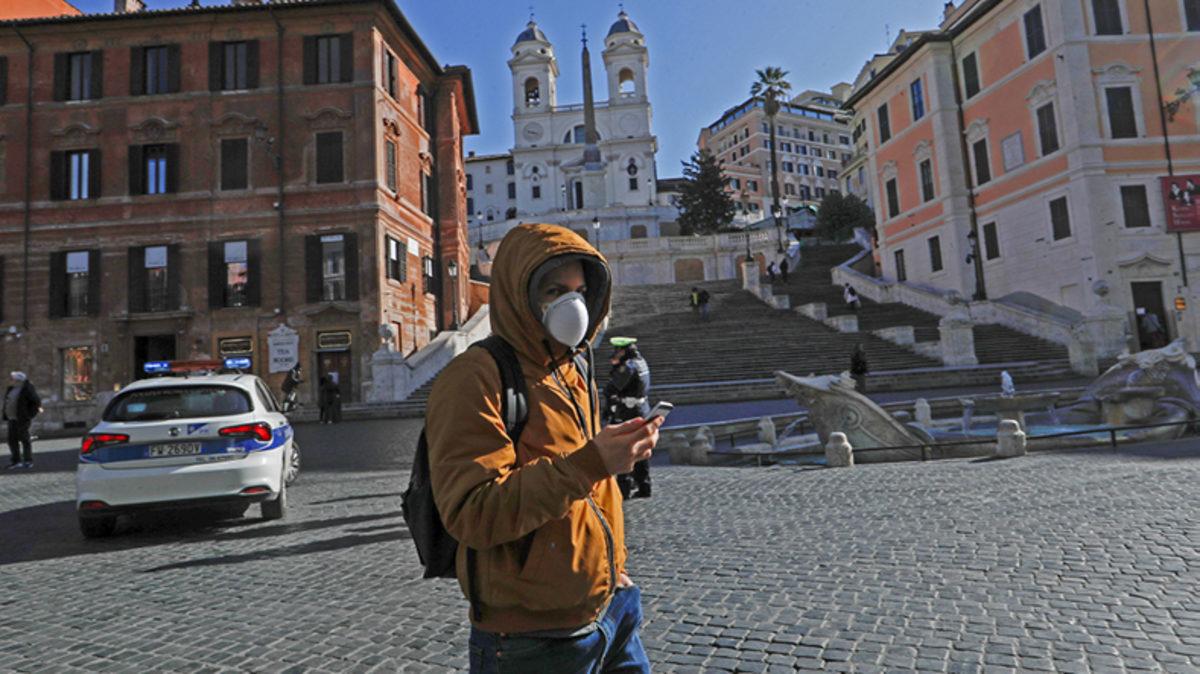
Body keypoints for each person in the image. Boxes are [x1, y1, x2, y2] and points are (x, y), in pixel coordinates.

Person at [426, 223, 662, 673]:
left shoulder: (574, 370)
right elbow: (474, 512)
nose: (571, 304)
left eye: (578, 290)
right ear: (520, 293)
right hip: (531, 640)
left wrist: (611, 570)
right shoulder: (474, 377)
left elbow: (587, 490)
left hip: (613, 610)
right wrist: (593, 461)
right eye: (554, 289)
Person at [604, 337, 653, 499]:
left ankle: (623, 488)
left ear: (623, 350)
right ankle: (644, 485)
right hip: (642, 409)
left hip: (627, 411)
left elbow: (613, 386)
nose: (615, 353)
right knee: (640, 447)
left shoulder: (628, 366)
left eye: (617, 350)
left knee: (623, 448)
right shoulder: (642, 362)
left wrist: (616, 367)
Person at [4, 372, 41, 470]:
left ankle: (28, 461)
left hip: (22, 419)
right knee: (12, 440)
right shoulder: (11, 388)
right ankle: (16, 461)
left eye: (12, 378)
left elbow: (36, 402)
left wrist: (28, 415)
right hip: (12, 418)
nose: (10, 380)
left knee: (25, 439)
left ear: (18, 380)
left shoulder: (27, 389)